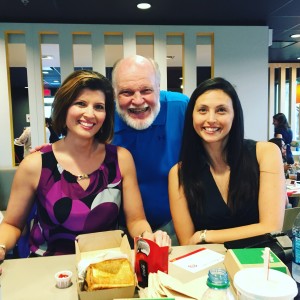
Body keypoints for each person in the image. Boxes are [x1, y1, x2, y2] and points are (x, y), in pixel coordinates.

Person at [0, 70, 170, 264]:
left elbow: (136, 220)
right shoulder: (35, 164)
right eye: (80, 104)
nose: (89, 114)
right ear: (64, 108)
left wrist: (148, 237)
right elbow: (12, 224)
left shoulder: (121, 159)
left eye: (99, 107)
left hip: (106, 265)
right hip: (47, 267)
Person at [168, 77, 286, 245]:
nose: (211, 119)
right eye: (202, 110)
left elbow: (272, 226)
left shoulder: (265, 153)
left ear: (234, 115)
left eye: (221, 110)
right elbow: (187, 243)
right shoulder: (179, 174)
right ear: (191, 117)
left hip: (259, 264)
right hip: (209, 268)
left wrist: (205, 235)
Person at [112, 55, 189, 245]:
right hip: (117, 226)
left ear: (159, 87)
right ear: (114, 93)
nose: (138, 101)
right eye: (126, 92)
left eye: (146, 90)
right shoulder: (103, 116)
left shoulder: (180, 108)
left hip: (174, 223)